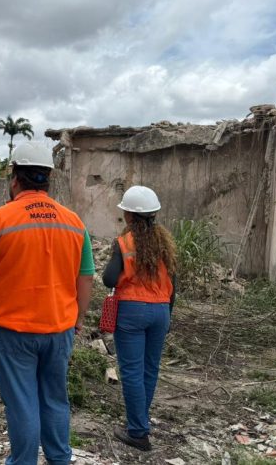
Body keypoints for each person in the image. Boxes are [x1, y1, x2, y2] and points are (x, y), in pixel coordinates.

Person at [0, 141, 95, 465]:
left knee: (22, 403)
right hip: (59, 330)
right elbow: (85, 279)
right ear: (48, 179)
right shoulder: (74, 223)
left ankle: (24, 461)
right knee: (55, 400)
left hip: (11, 333)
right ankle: (60, 459)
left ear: (14, 178)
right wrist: (79, 319)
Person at [102, 185, 177, 452]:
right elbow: (173, 283)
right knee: (149, 369)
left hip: (132, 311)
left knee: (132, 371)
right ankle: (139, 422)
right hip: (160, 311)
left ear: (130, 216)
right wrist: (167, 315)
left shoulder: (124, 242)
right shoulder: (164, 243)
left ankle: (137, 432)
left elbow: (109, 279)